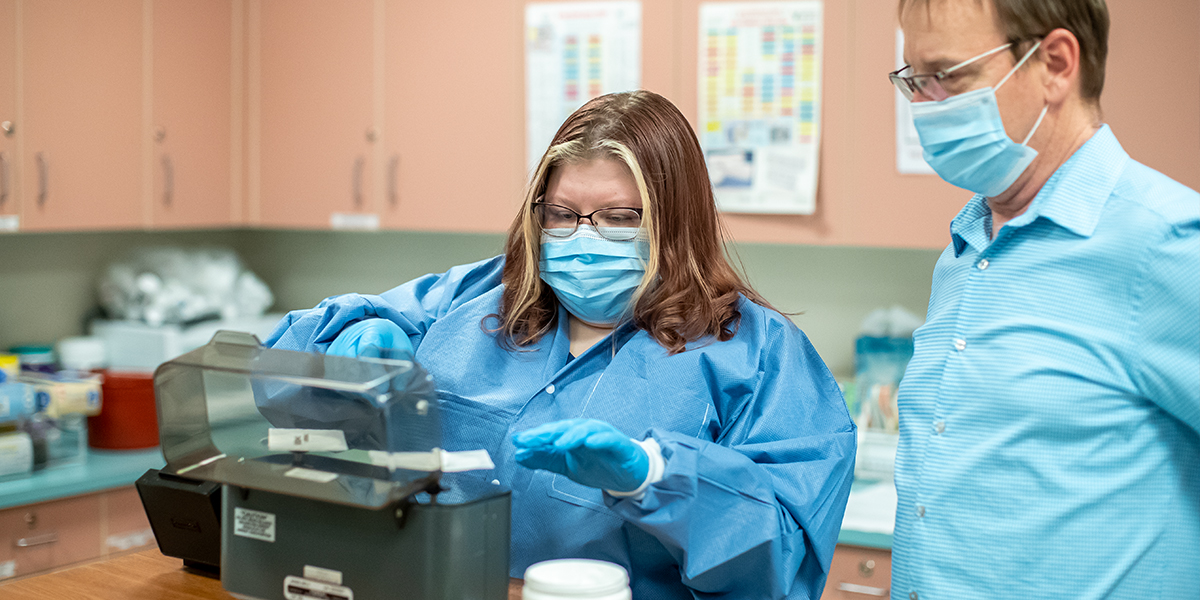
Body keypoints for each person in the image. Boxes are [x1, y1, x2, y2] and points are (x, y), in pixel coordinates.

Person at [266, 90, 856, 599]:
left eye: (620, 218)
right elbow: (275, 381)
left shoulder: (759, 358)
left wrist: (653, 477)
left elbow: (780, 568)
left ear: (675, 222)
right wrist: (347, 346)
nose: (583, 239)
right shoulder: (475, 299)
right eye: (563, 214)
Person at [890, 1, 1199, 599]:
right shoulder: (965, 249)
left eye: (948, 76)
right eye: (914, 80)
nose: (925, 108)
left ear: (1055, 63)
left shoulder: (1164, 245)